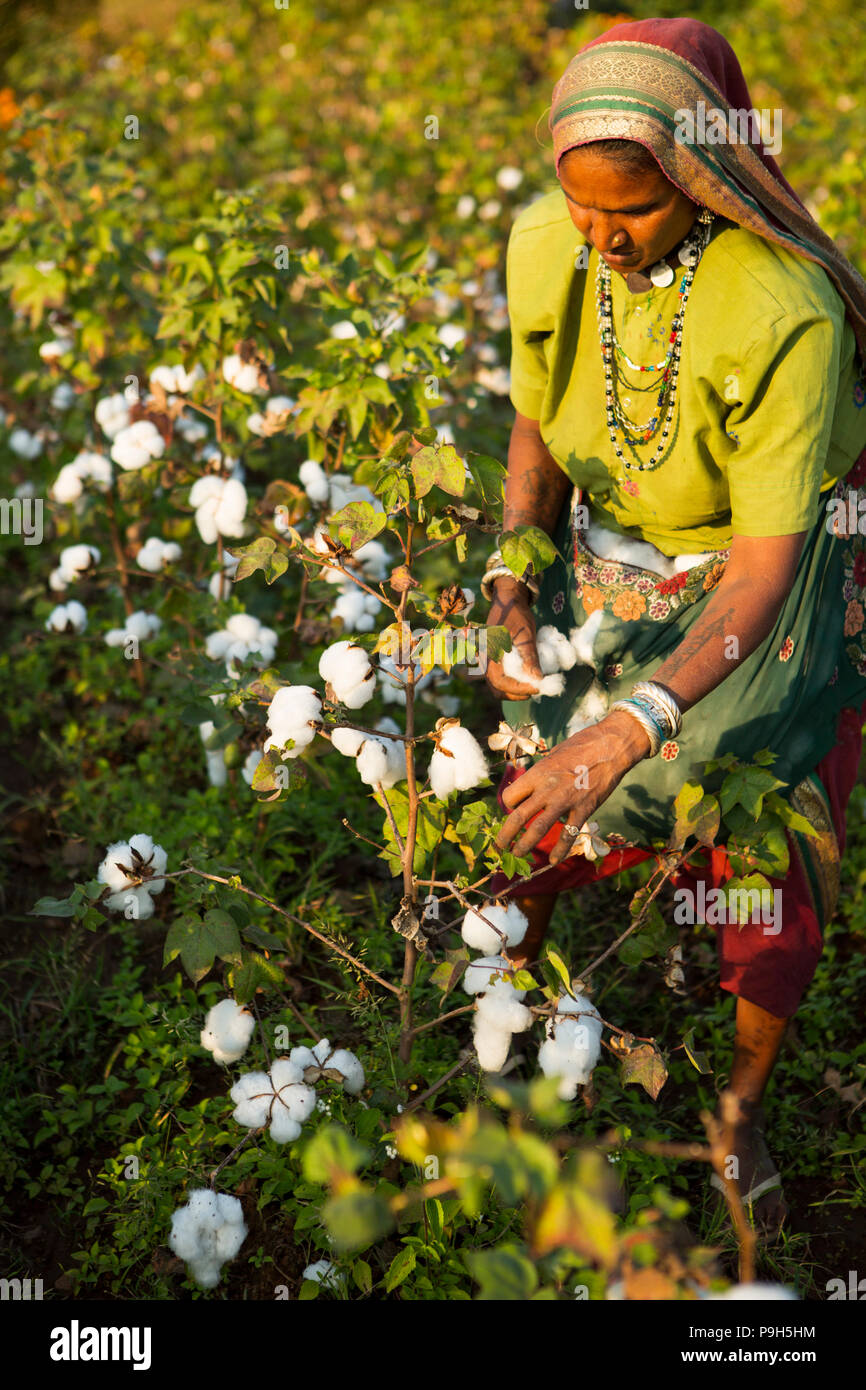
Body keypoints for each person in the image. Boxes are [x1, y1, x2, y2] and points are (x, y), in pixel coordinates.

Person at [483, 16, 866, 1236]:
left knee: (759, 841)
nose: (599, 237)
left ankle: (736, 1106)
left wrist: (634, 722)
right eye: (579, 205)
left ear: (699, 176)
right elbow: (538, 415)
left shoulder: (780, 307)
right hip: (604, 564)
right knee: (534, 798)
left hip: (766, 584)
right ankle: (498, 1039)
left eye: (632, 211)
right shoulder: (546, 242)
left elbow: (758, 575)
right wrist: (511, 573)